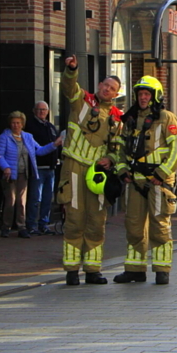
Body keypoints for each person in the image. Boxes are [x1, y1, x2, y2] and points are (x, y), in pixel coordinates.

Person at [57, 55, 123, 286]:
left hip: (97, 175)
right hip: (73, 168)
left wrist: (110, 160)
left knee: (96, 221)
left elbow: (118, 149)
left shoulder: (117, 119)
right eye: (105, 85)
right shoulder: (81, 101)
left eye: (112, 88)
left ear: (116, 94)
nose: (107, 89)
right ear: (99, 86)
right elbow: (68, 86)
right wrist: (71, 69)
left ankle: (93, 270)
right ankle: (72, 271)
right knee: (74, 220)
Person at [113, 76, 177, 285]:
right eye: (140, 94)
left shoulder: (167, 118)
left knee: (159, 227)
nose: (143, 98)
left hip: (158, 183)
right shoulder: (130, 119)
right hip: (135, 181)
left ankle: (162, 270)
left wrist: (161, 174)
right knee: (133, 227)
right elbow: (120, 149)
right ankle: (135, 270)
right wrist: (122, 169)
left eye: (146, 94)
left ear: (155, 96)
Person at [0, 110, 62, 238]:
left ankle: (21, 226)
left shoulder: (28, 137)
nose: (16, 125)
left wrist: (54, 145)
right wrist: (6, 167)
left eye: (18, 123)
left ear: (22, 124)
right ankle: (6, 226)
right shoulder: (5, 137)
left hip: (23, 174)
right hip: (10, 174)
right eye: (13, 123)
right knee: (11, 201)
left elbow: (40, 151)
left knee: (21, 202)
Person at [26, 101, 61, 235]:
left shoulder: (50, 126)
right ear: (34, 111)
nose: (42, 112)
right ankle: (32, 225)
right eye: (39, 109)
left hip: (51, 168)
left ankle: (44, 224)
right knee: (36, 198)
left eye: (44, 110)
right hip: (38, 168)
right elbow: (36, 150)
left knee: (47, 199)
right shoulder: (30, 126)